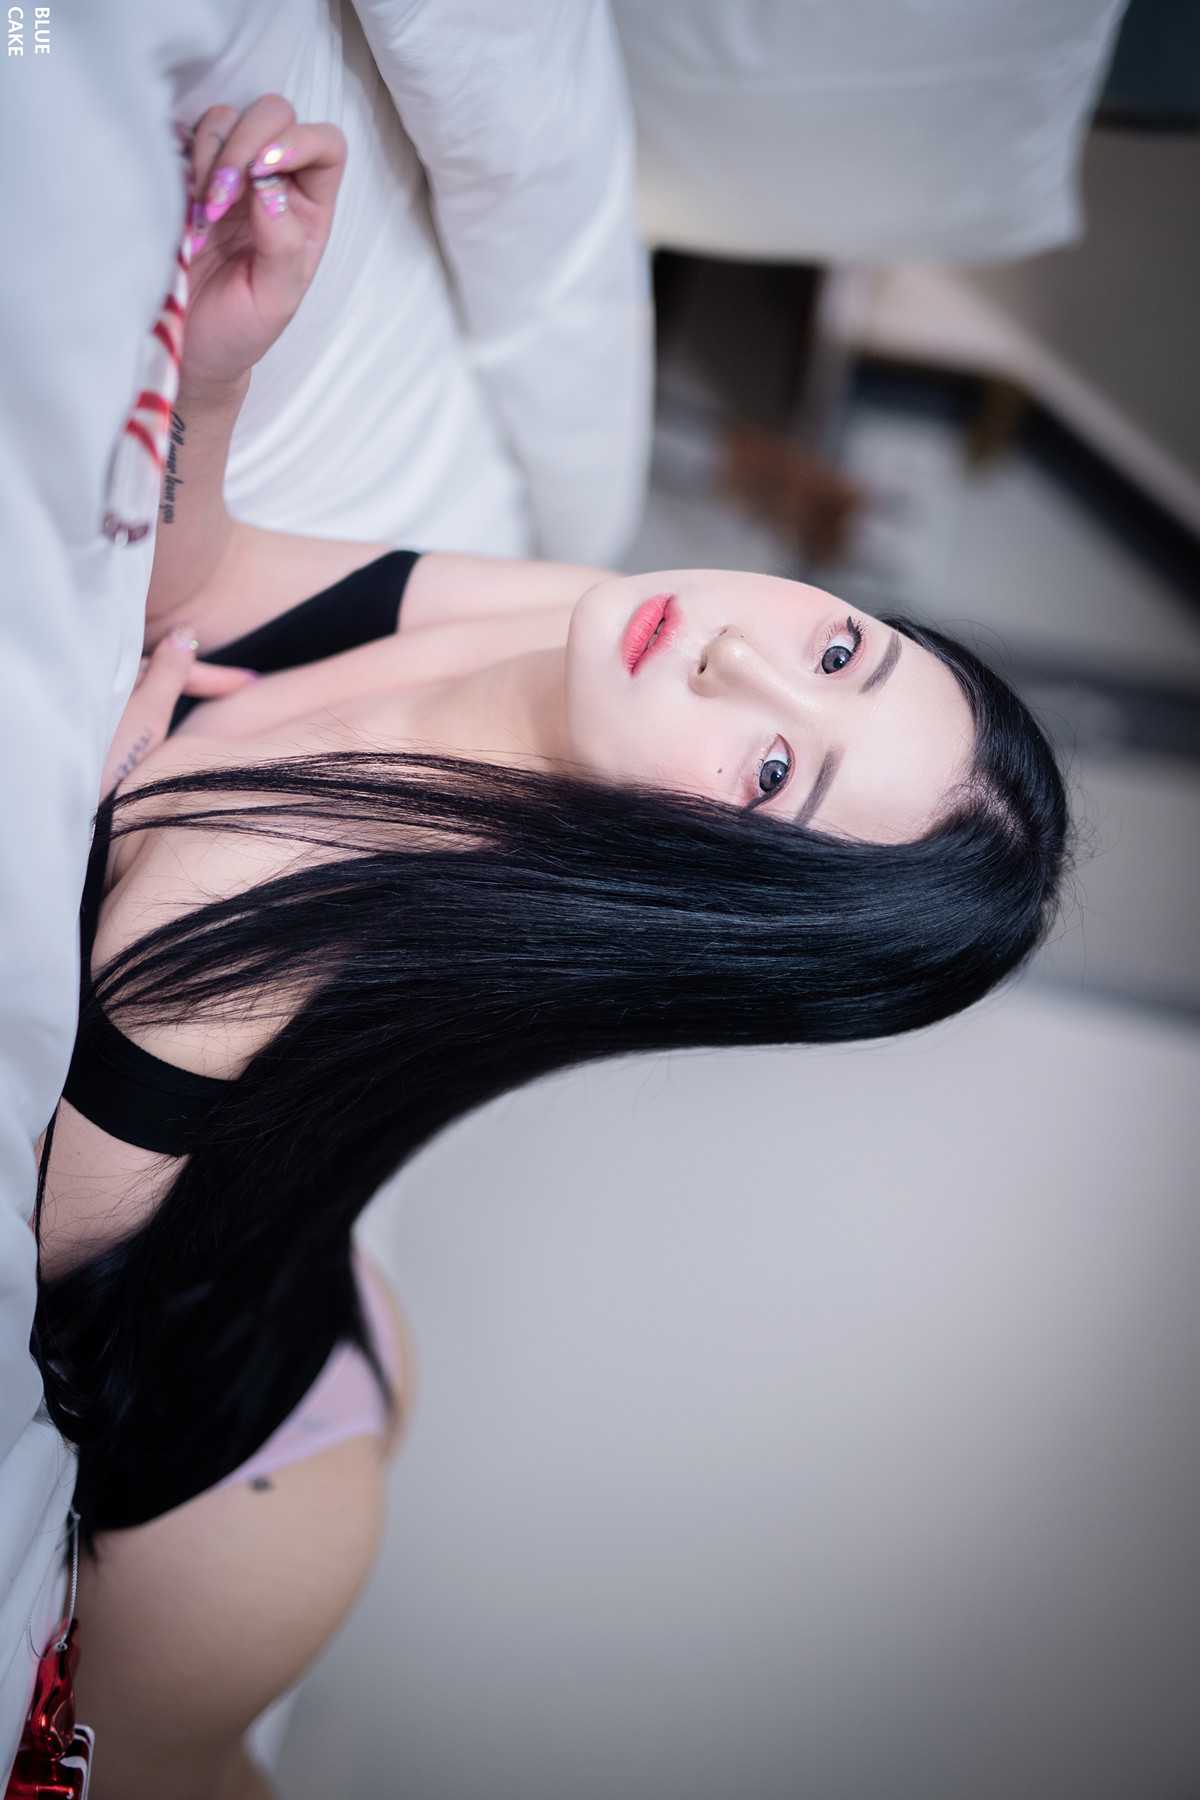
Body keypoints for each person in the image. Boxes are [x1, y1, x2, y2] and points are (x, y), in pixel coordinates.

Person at [32, 101, 1070, 1800]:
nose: (737, 660)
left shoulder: (247, 931)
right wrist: (217, 374)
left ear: (709, 886)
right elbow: (205, 594)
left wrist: (89, 801)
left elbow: (70, 1266)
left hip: (245, 1501)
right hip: (316, 1261)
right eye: (839, 652)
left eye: (773, 775)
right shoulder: (589, 626)